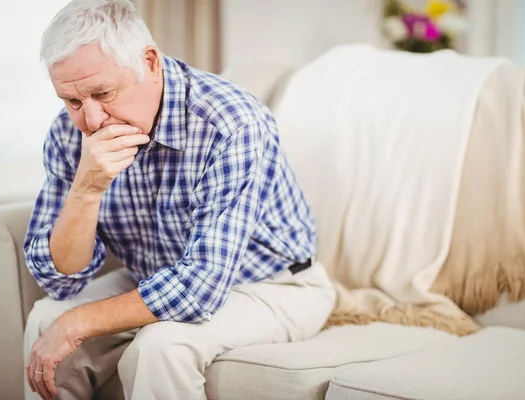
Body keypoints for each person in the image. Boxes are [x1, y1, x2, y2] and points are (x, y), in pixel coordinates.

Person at [23, 0, 335, 399]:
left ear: (150, 62)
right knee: (45, 318)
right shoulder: (70, 135)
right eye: (73, 101)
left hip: (273, 284)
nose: (92, 120)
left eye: (103, 93)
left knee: (160, 347)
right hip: (155, 276)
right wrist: (86, 189)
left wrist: (80, 322)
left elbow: (199, 288)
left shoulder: (230, 123)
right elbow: (58, 279)